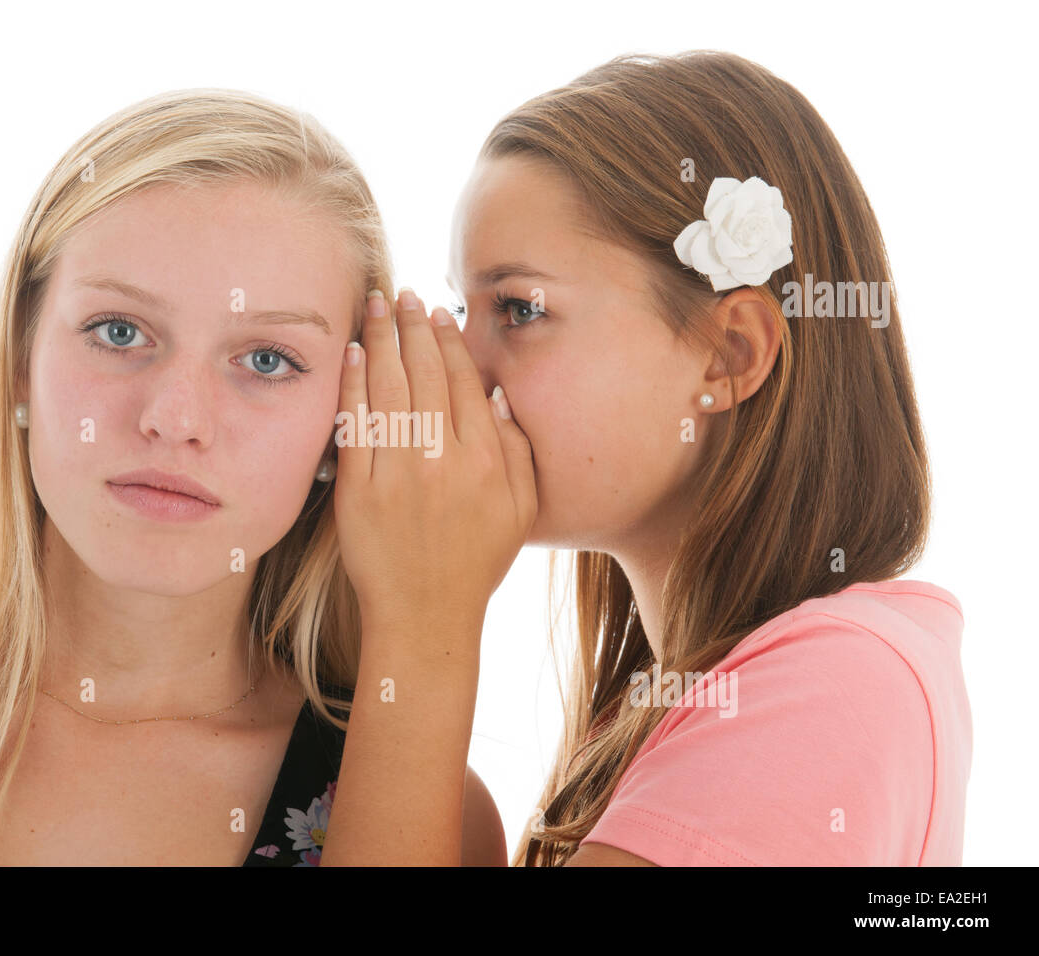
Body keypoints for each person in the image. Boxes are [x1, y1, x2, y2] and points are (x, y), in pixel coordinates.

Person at [0, 88, 506, 867]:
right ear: (21, 362)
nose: (176, 418)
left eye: (266, 360)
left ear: (348, 420)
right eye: (119, 331)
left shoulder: (420, 808)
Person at [321, 51, 972, 866]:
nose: (460, 364)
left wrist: (421, 622)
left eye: (520, 308)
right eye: (462, 305)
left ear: (728, 354)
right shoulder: (673, 704)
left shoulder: (829, 687)